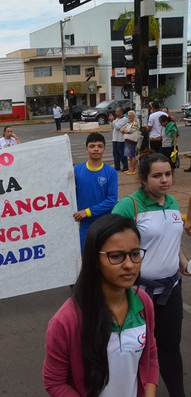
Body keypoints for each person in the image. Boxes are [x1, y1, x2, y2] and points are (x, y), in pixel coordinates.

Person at [43, 214, 158, 397]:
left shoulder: (144, 302)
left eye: (135, 254)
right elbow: (54, 381)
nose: (129, 265)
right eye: (116, 256)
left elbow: (150, 354)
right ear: (95, 260)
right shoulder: (66, 321)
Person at [112, 152, 189, 397]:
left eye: (168, 174)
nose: (164, 180)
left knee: (170, 348)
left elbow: (172, 239)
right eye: (157, 176)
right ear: (143, 179)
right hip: (136, 294)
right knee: (136, 349)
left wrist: (183, 262)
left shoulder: (172, 203)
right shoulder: (129, 206)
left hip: (171, 291)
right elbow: (110, 246)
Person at [73, 132, 119, 252]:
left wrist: (87, 211)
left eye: (99, 146)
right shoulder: (76, 171)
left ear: (104, 149)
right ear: (86, 149)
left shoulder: (111, 172)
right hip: (83, 224)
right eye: (92, 146)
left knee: (103, 257)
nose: (96, 149)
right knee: (86, 257)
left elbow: (111, 200)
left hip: (103, 224)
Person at [108, 107, 129, 172]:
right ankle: (117, 166)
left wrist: (113, 121)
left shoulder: (124, 119)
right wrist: (111, 122)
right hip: (115, 138)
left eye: (117, 111)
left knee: (122, 154)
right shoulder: (116, 119)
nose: (115, 113)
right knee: (115, 154)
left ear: (120, 112)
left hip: (121, 139)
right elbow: (112, 127)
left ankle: (125, 166)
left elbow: (118, 127)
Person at [122, 110, 141, 175]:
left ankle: (133, 169)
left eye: (130, 116)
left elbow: (130, 131)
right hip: (127, 140)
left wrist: (124, 130)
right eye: (128, 115)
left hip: (132, 140)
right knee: (129, 156)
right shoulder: (129, 123)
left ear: (133, 116)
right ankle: (130, 169)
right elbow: (122, 129)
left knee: (132, 155)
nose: (129, 117)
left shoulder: (135, 123)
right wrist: (124, 130)